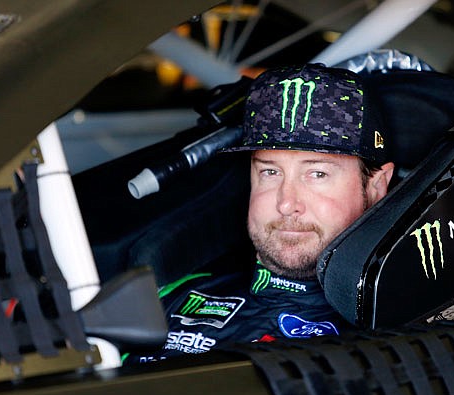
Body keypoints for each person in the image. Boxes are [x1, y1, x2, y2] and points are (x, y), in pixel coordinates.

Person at [130, 64, 394, 363]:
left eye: (317, 174)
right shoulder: (173, 295)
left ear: (376, 187)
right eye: (270, 171)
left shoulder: (405, 330)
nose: (287, 202)